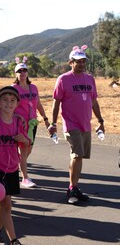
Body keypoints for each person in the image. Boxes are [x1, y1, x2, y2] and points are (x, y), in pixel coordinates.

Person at [48, 45, 104, 205]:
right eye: (78, 61)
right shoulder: (63, 79)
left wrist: (100, 121)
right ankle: (72, 188)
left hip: (86, 124)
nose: (81, 64)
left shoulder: (90, 79)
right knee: (77, 155)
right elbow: (56, 102)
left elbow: (94, 102)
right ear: (70, 62)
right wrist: (52, 123)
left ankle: (74, 186)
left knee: (80, 157)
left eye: (83, 61)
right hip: (71, 124)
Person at [0, 86, 29, 245]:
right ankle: (14, 240)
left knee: (5, 204)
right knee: (6, 202)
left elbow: (25, 145)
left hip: (13, 168)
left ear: (17, 104)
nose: (9, 103)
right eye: (5, 100)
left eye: (12, 101)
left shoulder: (18, 122)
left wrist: (23, 139)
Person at [12, 61, 50, 188]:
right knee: (23, 150)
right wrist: (16, 117)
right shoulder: (13, 89)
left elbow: (38, 104)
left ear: (27, 72)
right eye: (19, 71)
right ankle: (25, 178)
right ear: (15, 74)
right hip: (20, 125)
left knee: (28, 150)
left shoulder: (33, 88)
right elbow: (8, 107)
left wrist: (45, 118)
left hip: (33, 124)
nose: (22, 73)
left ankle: (15, 164)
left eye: (24, 70)